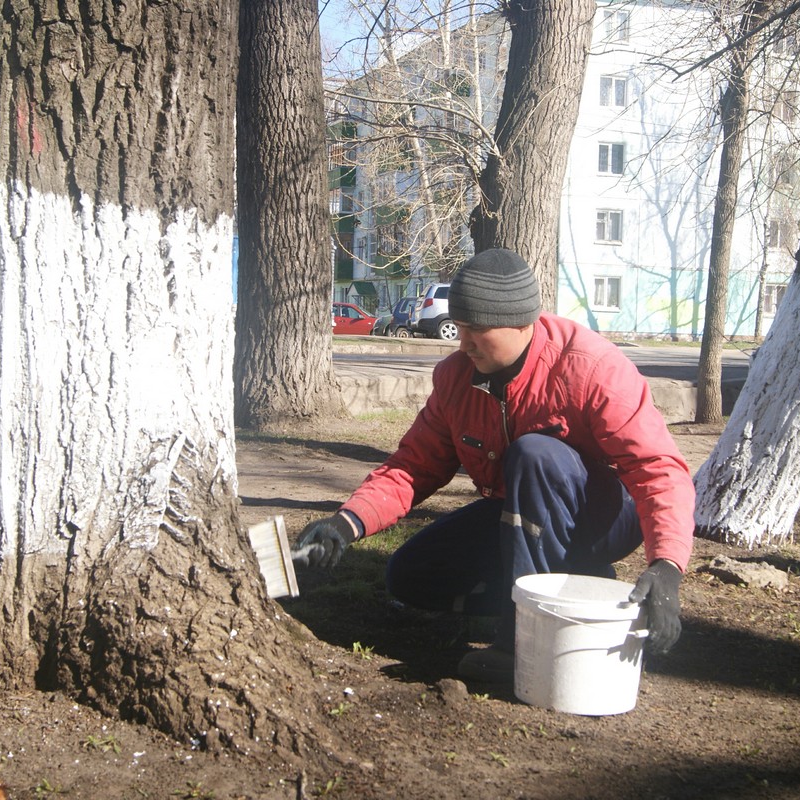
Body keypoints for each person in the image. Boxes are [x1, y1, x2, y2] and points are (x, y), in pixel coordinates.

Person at [294, 248, 695, 683]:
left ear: (524, 323)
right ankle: (576, 585)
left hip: (605, 518)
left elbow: (658, 469)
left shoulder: (590, 368)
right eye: (460, 327)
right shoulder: (455, 378)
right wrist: (347, 522)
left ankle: (523, 641)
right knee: (410, 576)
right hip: (522, 517)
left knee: (536, 453)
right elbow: (414, 465)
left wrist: (667, 565)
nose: (462, 342)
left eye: (477, 330)